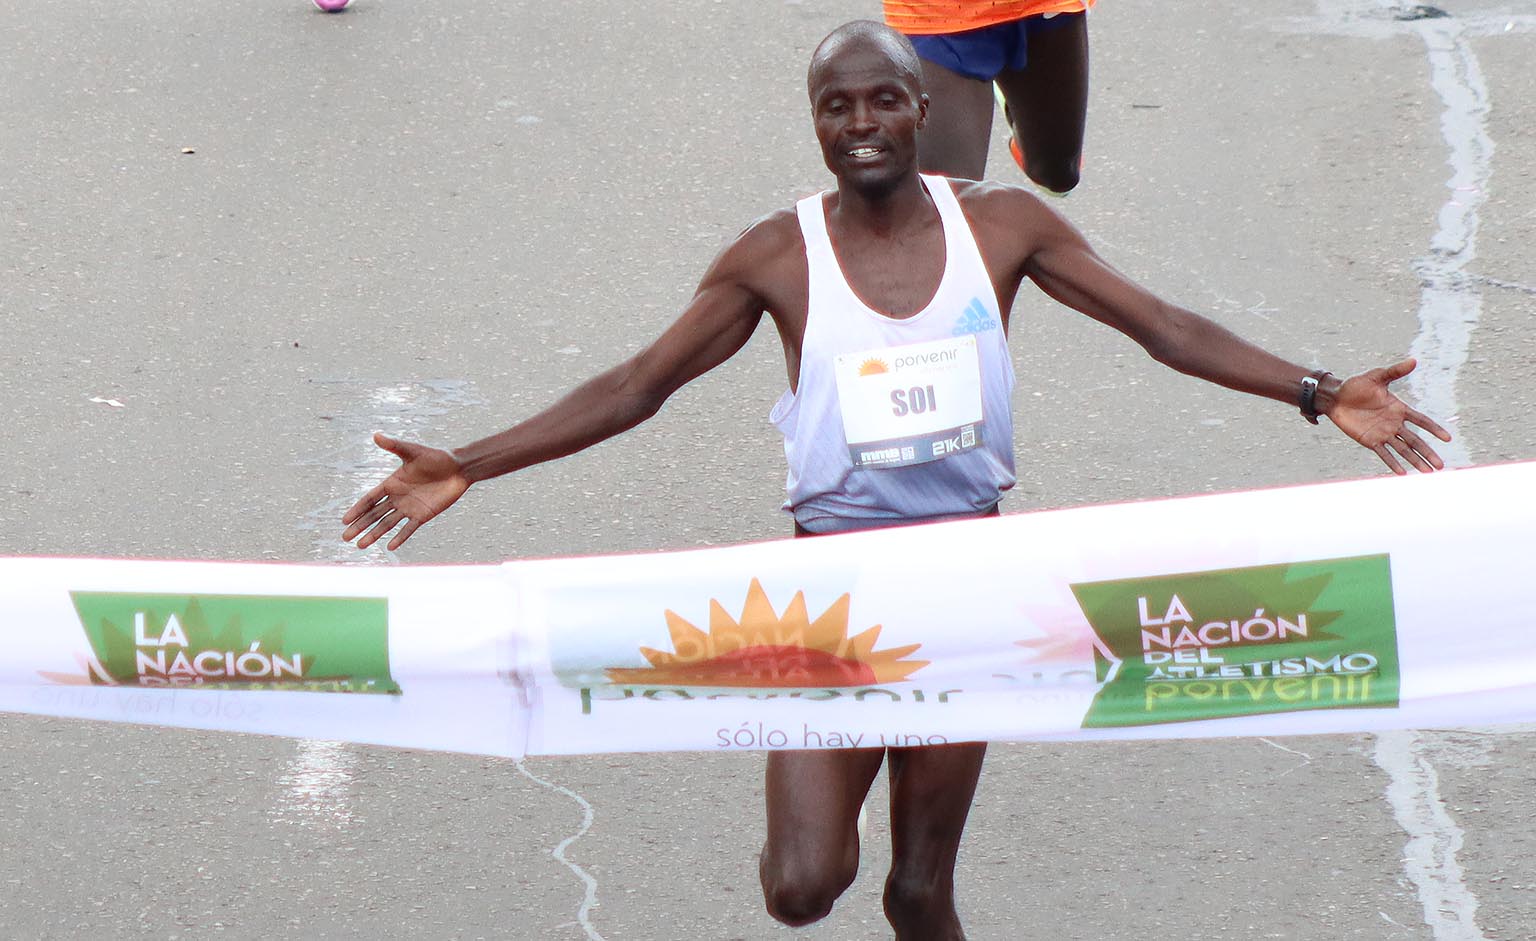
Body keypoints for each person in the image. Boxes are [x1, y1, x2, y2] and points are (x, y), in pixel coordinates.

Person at [341, 21, 1448, 939]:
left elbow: (1158, 323)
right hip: (829, 593)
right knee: (798, 887)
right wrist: (468, 463)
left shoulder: (1002, 225)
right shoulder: (776, 255)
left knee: (918, 888)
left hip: (968, 578)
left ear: (922, 110)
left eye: (880, 101)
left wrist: (1314, 391)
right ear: (814, 124)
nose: (859, 125)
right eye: (835, 107)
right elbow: (638, 384)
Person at [883, 0, 1094, 194]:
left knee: (1059, 175)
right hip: (939, 15)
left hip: (1044, 5)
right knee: (946, 208)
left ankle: (1015, 98)